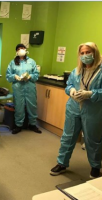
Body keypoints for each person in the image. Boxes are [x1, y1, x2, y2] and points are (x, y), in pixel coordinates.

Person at [50, 42, 102, 179]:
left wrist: (91, 94)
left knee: (93, 140)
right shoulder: (77, 70)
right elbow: (69, 85)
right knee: (68, 136)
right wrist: (71, 90)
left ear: (95, 53)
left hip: (93, 110)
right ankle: (62, 163)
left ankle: (95, 166)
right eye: (82, 53)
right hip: (73, 108)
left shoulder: (100, 71)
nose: (85, 56)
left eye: (88, 52)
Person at [6, 44, 42, 134]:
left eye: (22, 48)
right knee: (19, 106)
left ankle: (32, 124)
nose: (21, 50)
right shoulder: (12, 63)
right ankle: (18, 125)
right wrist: (14, 76)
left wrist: (30, 76)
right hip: (18, 87)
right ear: (16, 52)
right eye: (18, 49)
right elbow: (8, 75)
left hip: (30, 87)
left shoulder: (31, 62)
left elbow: (36, 75)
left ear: (26, 50)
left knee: (32, 106)